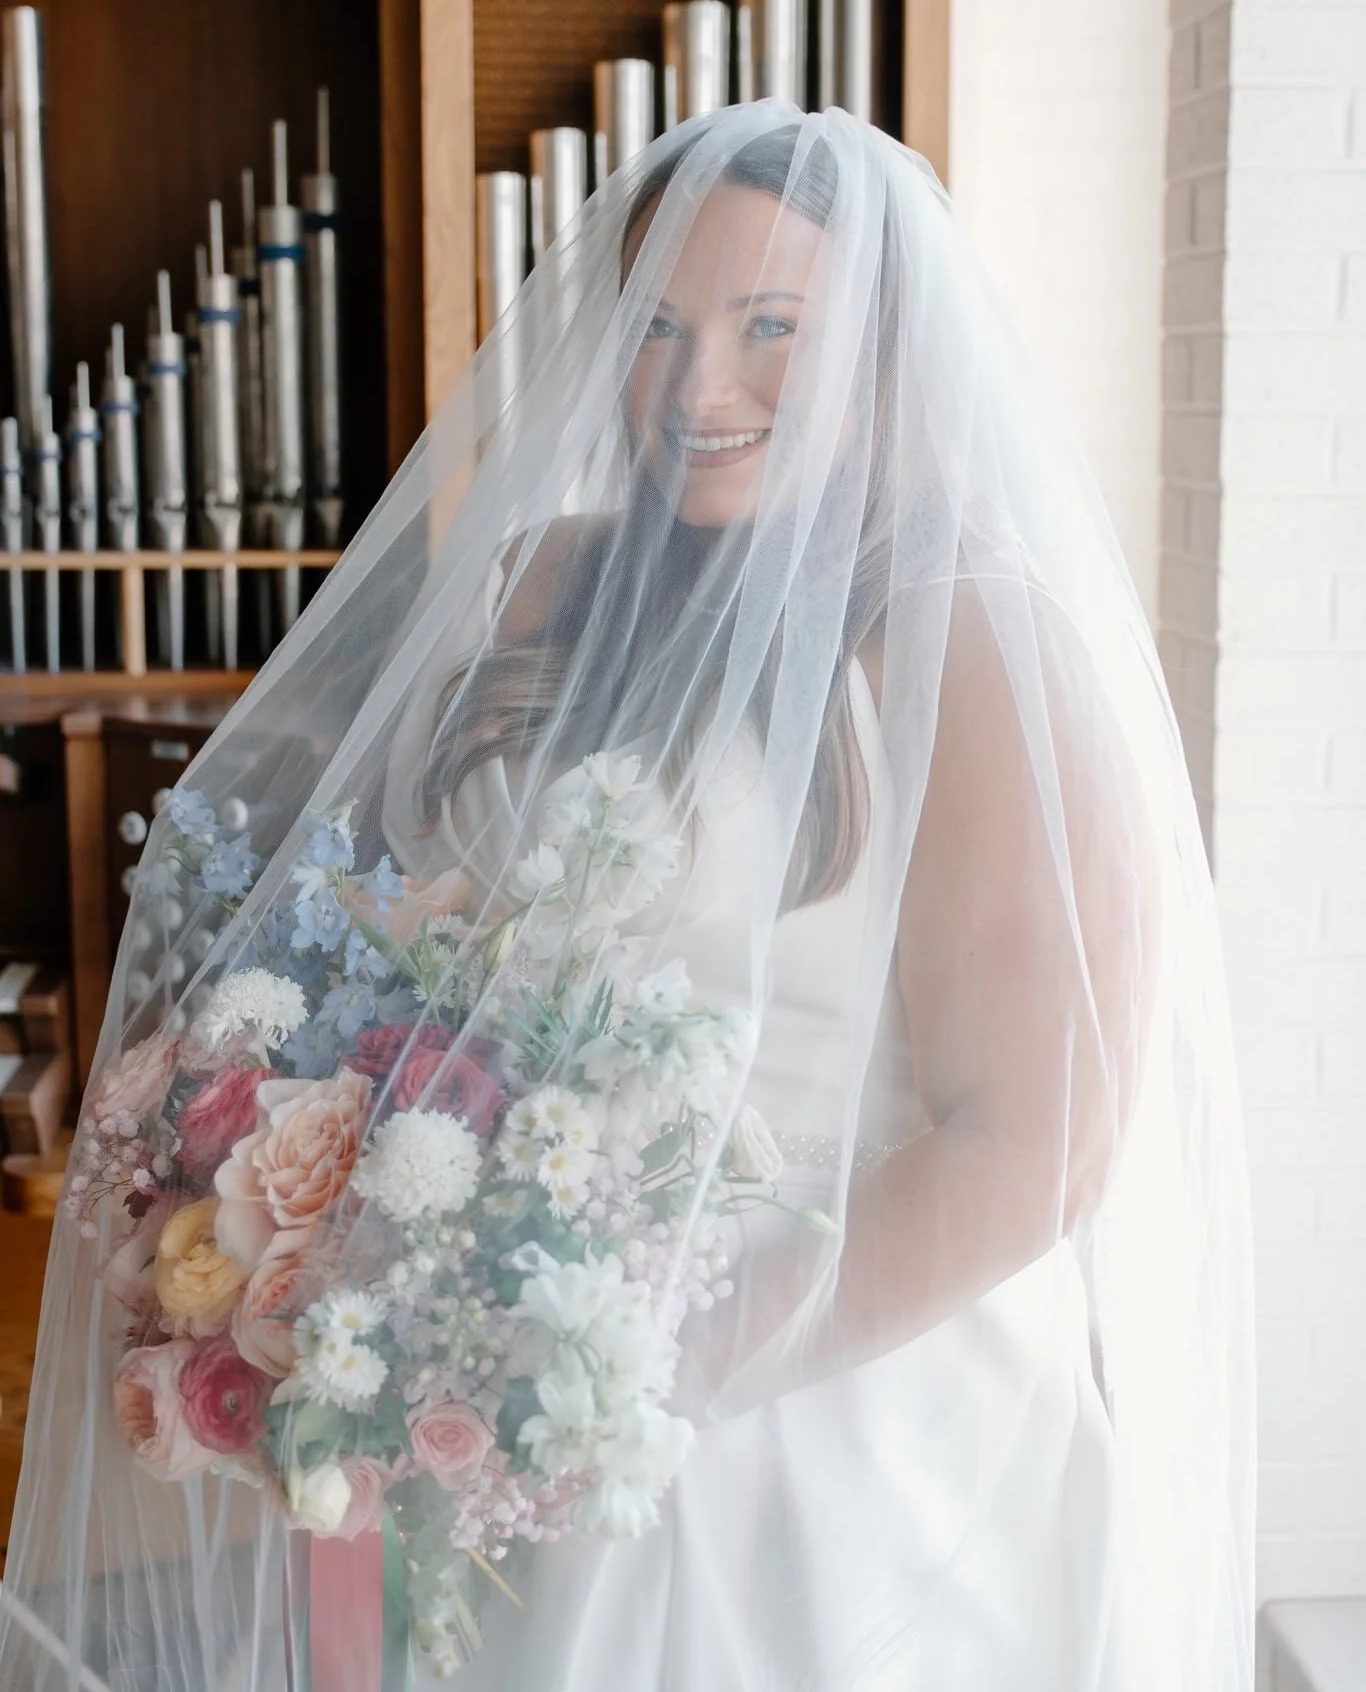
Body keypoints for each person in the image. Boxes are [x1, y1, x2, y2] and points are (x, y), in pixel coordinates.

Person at [0, 105, 1255, 1692]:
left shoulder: (970, 642)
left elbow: (1035, 1141)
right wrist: (302, 1196)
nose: (698, 387)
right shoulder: (542, 579)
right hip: (496, 1366)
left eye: (770, 328)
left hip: (825, 1417)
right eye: (656, 330)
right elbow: (405, 950)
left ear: (884, 350)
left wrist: (650, 1369)